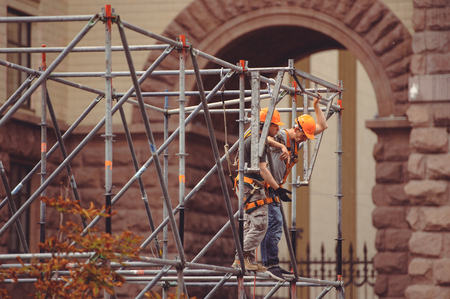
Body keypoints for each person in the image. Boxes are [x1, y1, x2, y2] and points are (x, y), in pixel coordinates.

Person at [260, 95, 328, 281]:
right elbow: (261, 137)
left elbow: (323, 126)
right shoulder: (281, 136)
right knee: (274, 225)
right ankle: (270, 264)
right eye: (303, 135)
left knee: (273, 224)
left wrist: (315, 106)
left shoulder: (296, 141)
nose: (305, 140)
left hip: (275, 187)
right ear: (296, 129)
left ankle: (271, 263)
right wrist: (281, 146)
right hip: (267, 186)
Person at [232, 107, 292, 282]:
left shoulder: (252, 134)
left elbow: (267, 140)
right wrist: (278, 189)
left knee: (250, 224)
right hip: (252, 186)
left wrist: (280, 145)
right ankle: (240, 256)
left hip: (246, 186)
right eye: (275, 126)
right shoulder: (258, 141)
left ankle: (247, 259)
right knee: (260, 225)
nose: (278, 130)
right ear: (267, 125)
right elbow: (264, 170)